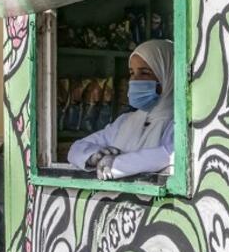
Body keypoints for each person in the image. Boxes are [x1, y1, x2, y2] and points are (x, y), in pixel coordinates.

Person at [67, 39, 174, 180]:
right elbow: (76, 150)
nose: (134, 80)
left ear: (168, 75)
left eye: (145, 73)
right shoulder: (125, 122)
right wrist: (94, 156)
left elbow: (170, 155)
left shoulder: (178, 126)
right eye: (132, 73)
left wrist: (117, 164)